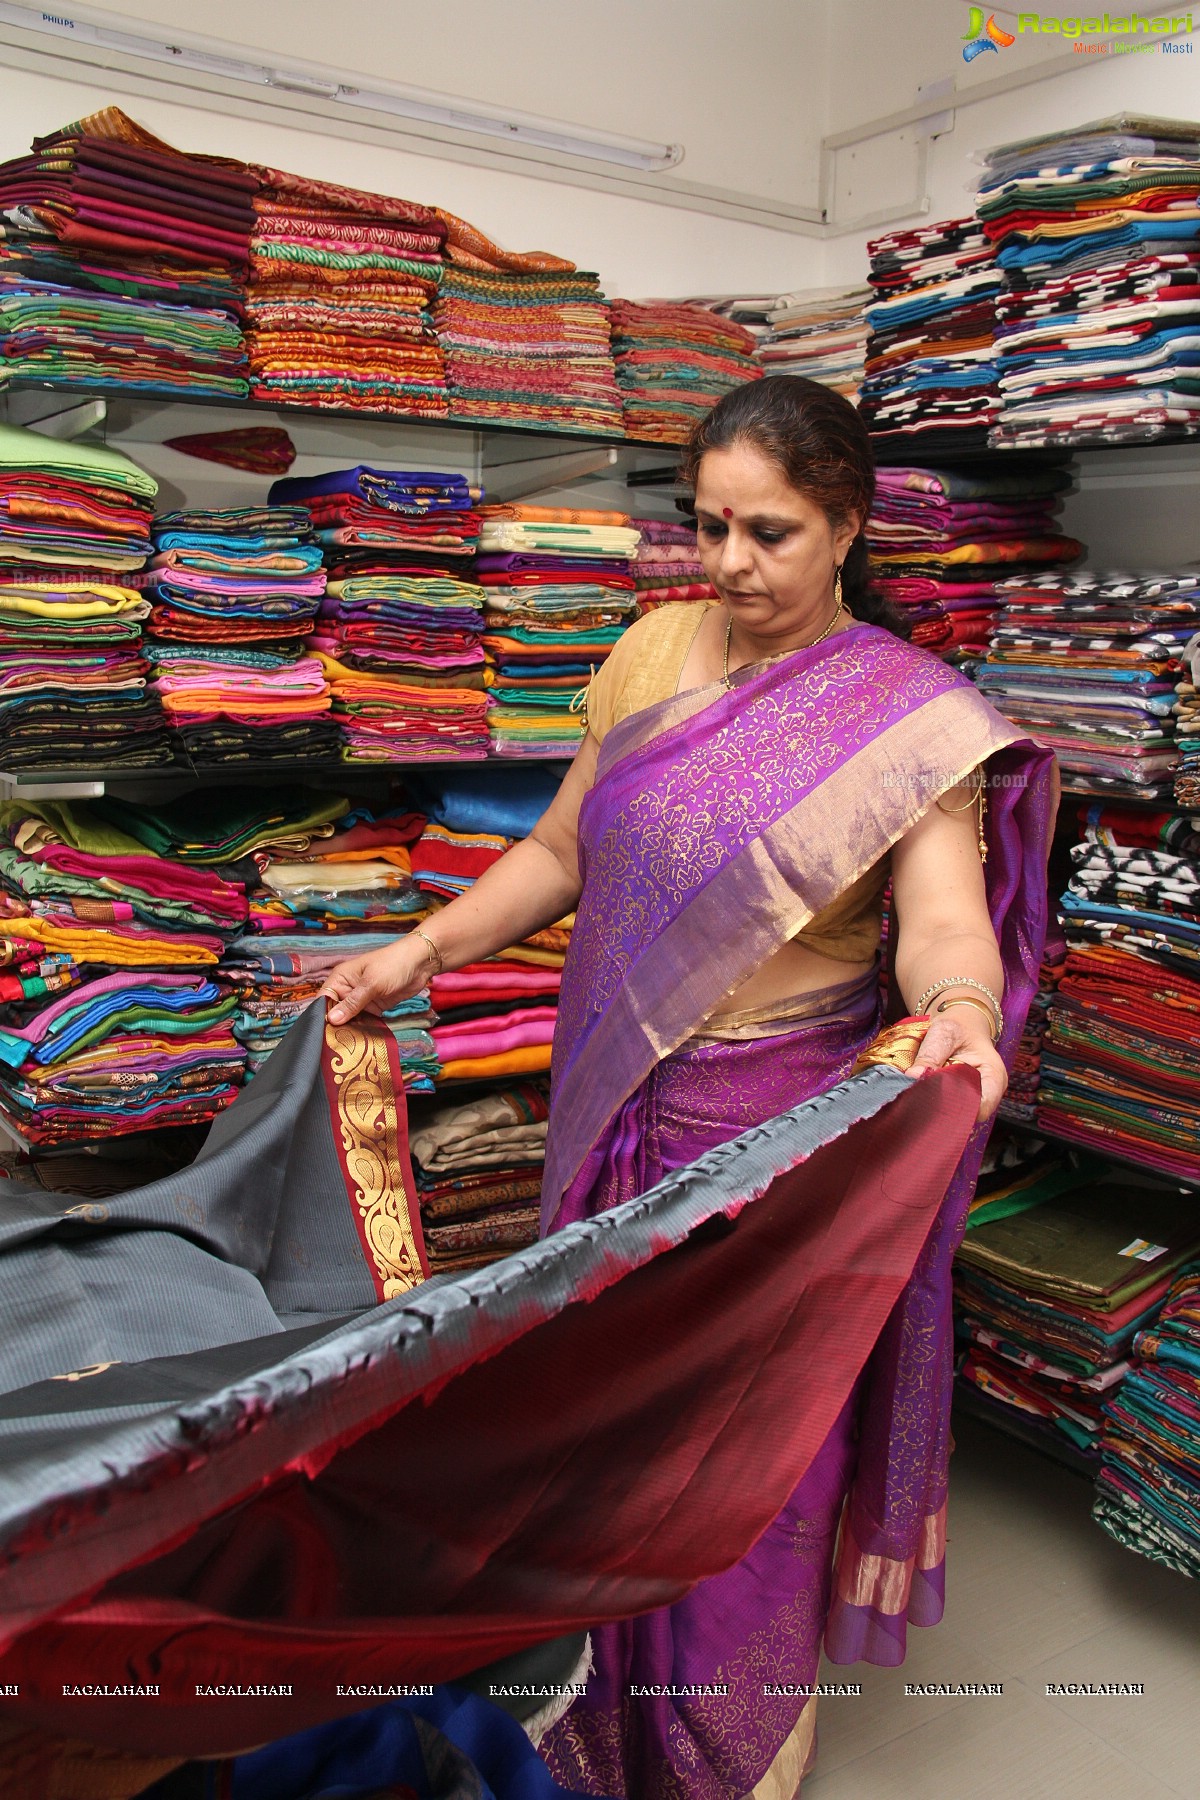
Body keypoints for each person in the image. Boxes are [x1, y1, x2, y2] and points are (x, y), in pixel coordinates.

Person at [322, 376, 1057, 1799]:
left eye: (770, 531)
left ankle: (733, 1760)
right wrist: (418, 949)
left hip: (772, 1169)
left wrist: (962, 1012)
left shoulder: (910, 720)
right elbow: (558, 854)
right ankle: (589, 1733)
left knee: (746, 1475)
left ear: (845, 525)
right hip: (610, 1125)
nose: (729, 564)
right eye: (707, 525)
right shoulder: (654, 648)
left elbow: (949, 919)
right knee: (597, 1438)